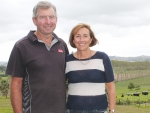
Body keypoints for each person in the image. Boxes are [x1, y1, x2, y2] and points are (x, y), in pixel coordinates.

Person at [6, 1, 69, 113]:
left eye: (51, 17)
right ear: (34, 20)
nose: (48, 21)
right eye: (43, 17)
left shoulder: (62, 45)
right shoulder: (21, 46)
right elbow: (16, 84)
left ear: (56, 19)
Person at [65, 23, 116, 113]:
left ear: (91, 39)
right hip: (73, 110)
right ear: (73, 40)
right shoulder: (67, 60)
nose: (81, 40)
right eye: (78, 36)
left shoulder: (102, 57)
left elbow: (110, 86)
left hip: (99, 110)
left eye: (85, 36)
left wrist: (112, 110)